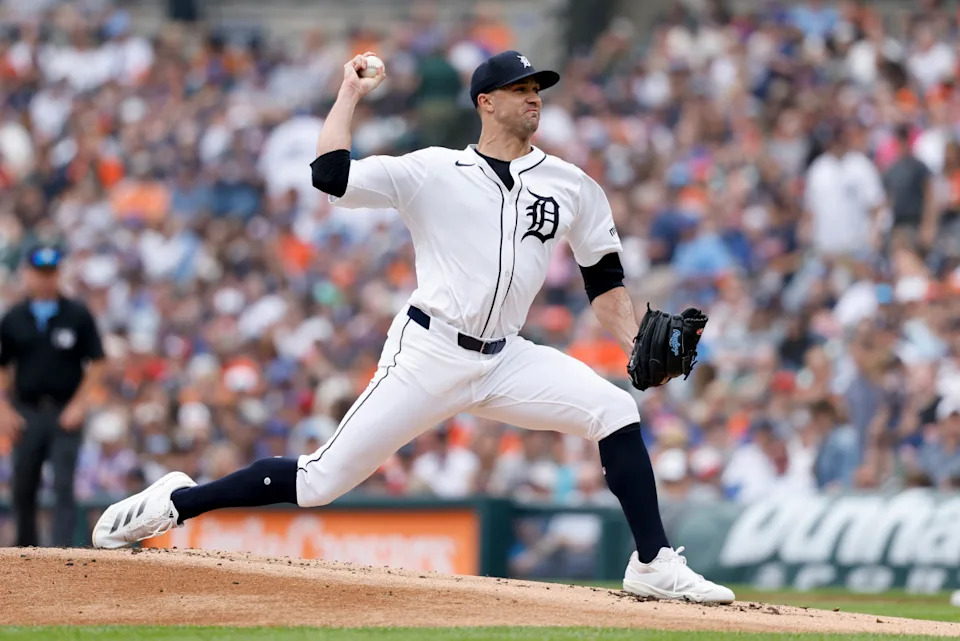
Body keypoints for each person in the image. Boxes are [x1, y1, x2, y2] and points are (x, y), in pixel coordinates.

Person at [91, 50, 734, 604]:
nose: (534, 98)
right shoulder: (432, 171)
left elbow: (604, 284)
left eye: (538, 89)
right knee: (319, 483)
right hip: (429, 351)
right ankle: (177, 503)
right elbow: (330, 177)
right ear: (485, 102)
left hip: (507, 358)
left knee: (613, 409)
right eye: (521, 89)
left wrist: (636, 337)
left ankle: (653, 565)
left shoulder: (573, 186)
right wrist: (350, 92)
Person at [0, 241, 106, 546]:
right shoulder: (14, 317)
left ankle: (60, 555)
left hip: (64, 411)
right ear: (28, 274)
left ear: (59, 274)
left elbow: (97, 362)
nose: (46, 278)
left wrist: (80, 404)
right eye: (40, 272)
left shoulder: (77, 315)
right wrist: (5, 409)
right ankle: (25, 552)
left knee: (63, 485)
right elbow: (3, 365)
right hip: (27, 411)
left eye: (51, 272)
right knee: (23, 486)